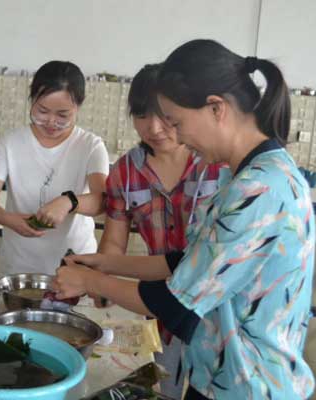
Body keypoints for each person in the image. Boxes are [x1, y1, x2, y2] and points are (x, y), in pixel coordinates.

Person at [54, 39, 315, 399]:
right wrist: (103, 262)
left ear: (216, 109)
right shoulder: (238, 176)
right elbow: (189, 263)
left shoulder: (260, 188)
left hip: (249, 386)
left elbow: (177, 304)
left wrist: (89, 281)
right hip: (219, 376)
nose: (172, 135)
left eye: (176, 122)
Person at [99, 64, 222, 399]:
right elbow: (113, 239)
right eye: (141, 116)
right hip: (158, 308)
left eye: (164, 117)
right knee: (161, 388)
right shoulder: (125, 171)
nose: (153, 128)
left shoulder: (217, 165)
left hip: (214, 312)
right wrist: (101, 281)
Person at [0, 60, 109, 276]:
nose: (51, 122)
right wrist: (9, 219)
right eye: (42, 111)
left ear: (78, 107)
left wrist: (68, 201)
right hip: (19, 265)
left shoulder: (90, 145)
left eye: (62, 115)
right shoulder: (10, 143)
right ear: (31, 100)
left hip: (75, 264)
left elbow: (101, 200)